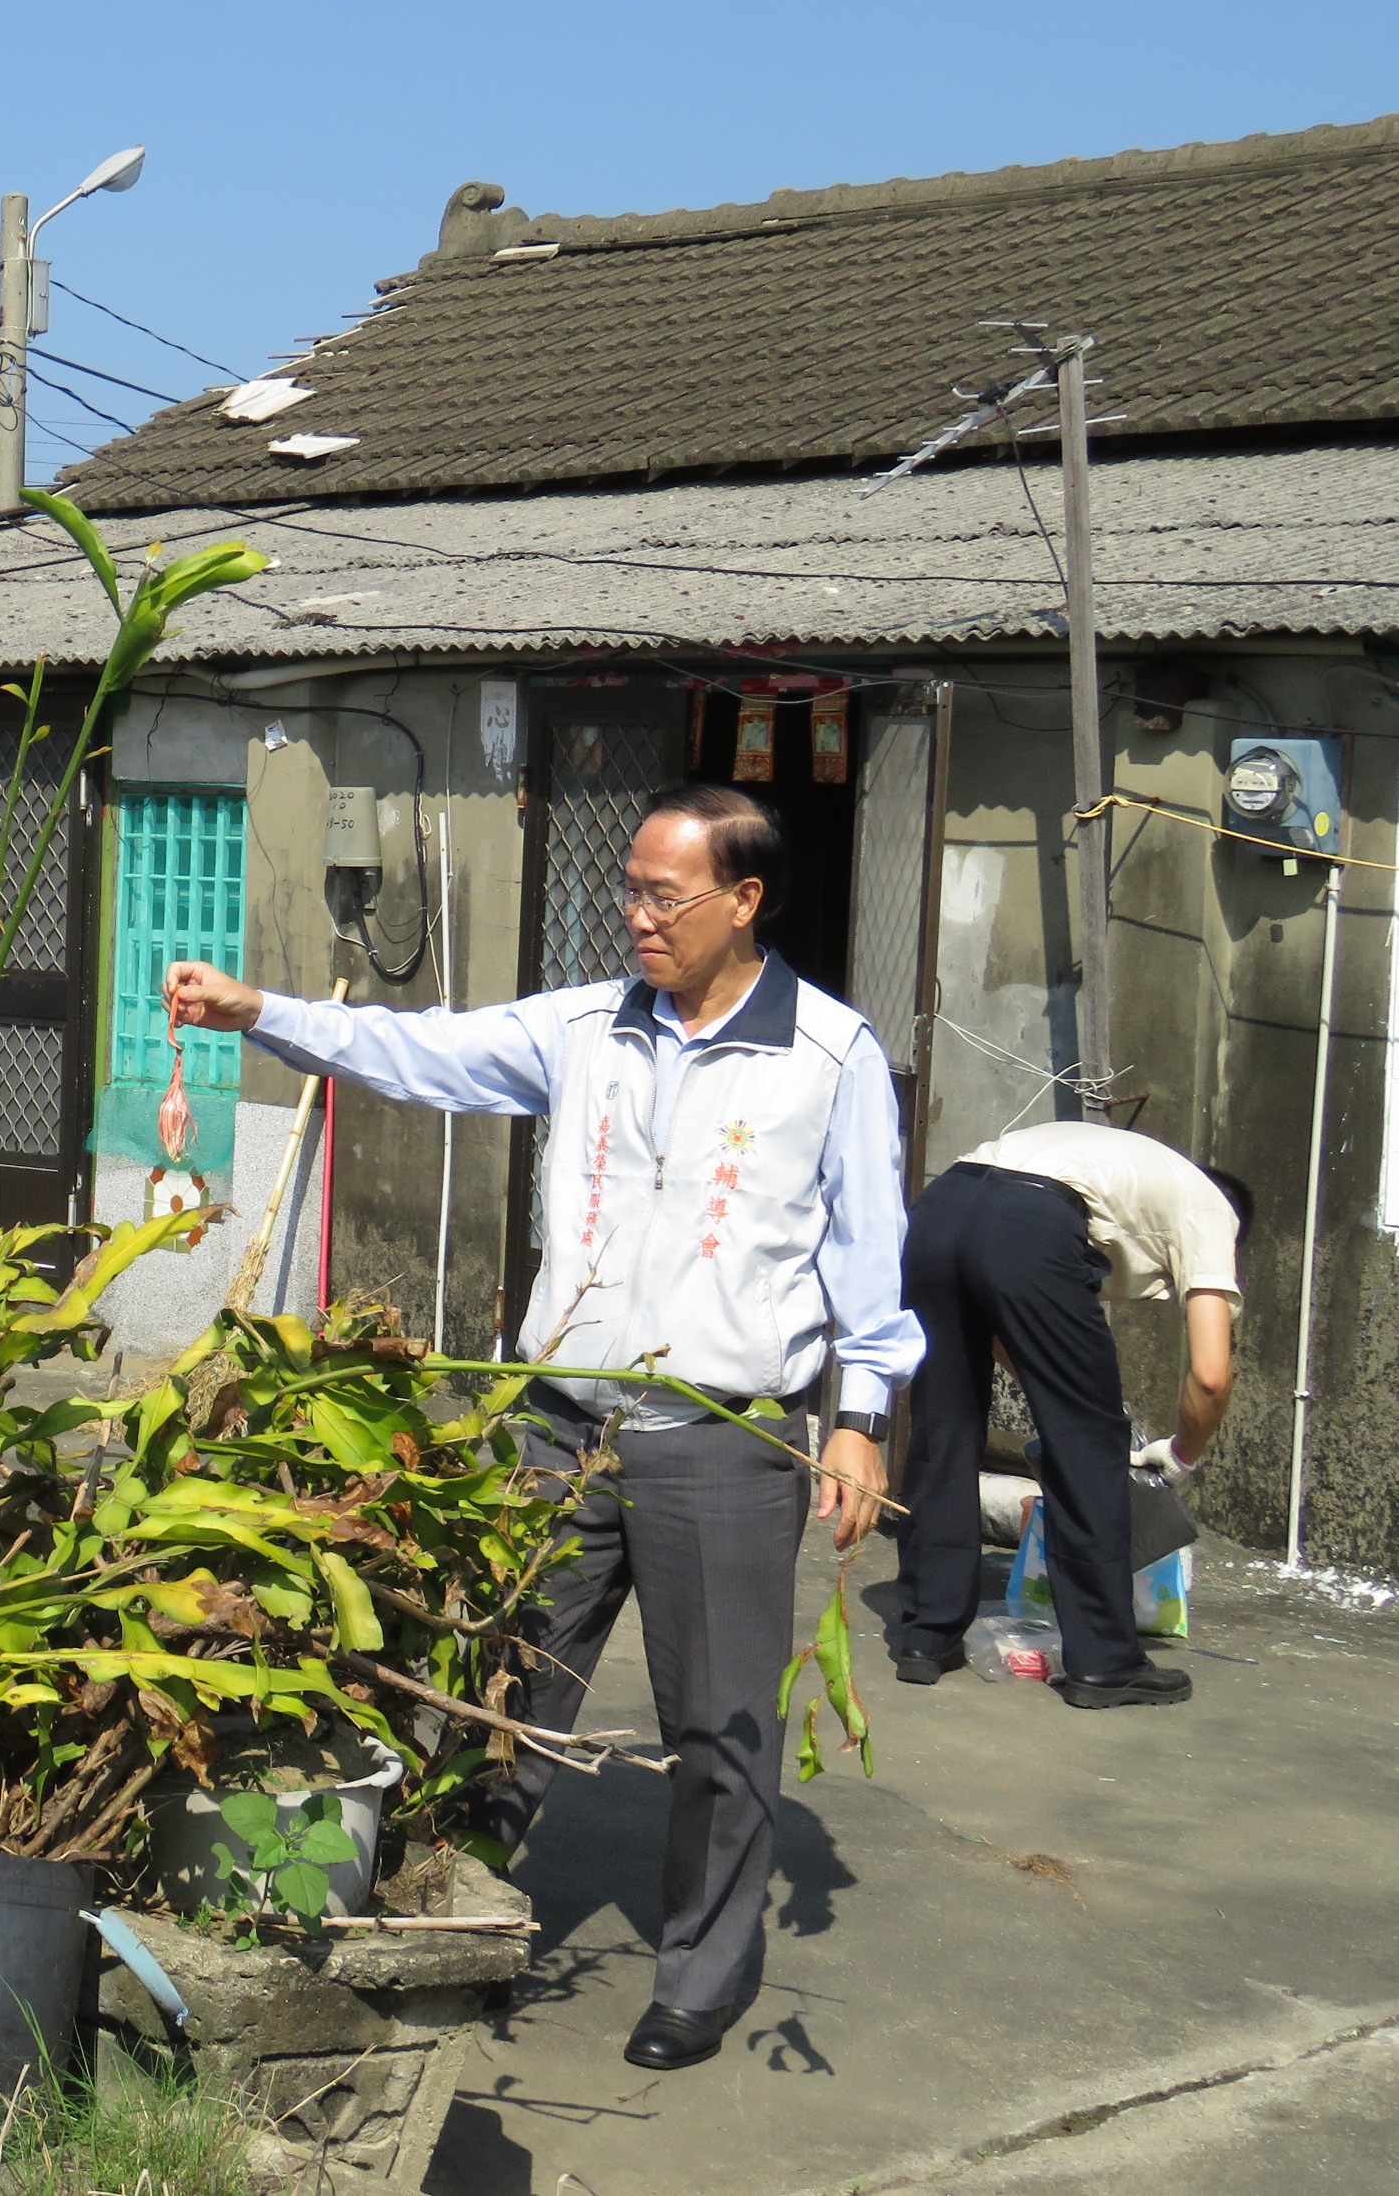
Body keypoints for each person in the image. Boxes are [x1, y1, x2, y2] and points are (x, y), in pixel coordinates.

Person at [164, 783, 918, 2075]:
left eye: (660, 895)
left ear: (743, 901)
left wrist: (858, 1420)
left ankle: (702, 1972)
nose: (633, 916)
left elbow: (868, 1261)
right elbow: (425, 1053)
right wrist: (261, 1015)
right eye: (624, 889)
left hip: (726, 1442)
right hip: (560, 1423)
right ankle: (449, 1924)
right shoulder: (582, 1028)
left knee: (722, 1725)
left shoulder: (830, 1060)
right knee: (496, 1693)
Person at [894, 1121, 1251, 1707]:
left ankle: (925, 1636)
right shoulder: (1214, 1212)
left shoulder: (1130, 1171)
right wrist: (1182, 1453)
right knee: (1090, 1444)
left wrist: (1057, 1397)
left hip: (940, 1206)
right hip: (1030, 1224)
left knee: (945, 1424)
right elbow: (1211, 1376)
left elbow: (1006, 1334)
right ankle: (1104, 1662)